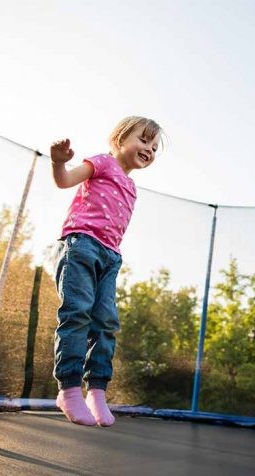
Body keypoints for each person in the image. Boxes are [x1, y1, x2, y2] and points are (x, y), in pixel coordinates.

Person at [49, 116, 161, 426]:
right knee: (77, 314)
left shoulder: (132, 186)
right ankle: (69, 389)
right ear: (120, 138)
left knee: (106, 323)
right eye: (144, 140)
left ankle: (96, 391)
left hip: (111, 256)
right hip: (81, 244)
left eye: (154, 147)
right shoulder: (101, 162)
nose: (149, 149)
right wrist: (58, 163)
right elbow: (64, 181)